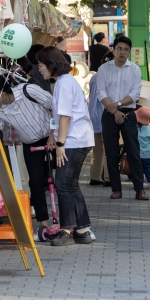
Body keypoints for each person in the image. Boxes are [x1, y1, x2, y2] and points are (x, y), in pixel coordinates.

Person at [36, 47, 95, 245]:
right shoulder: (64, 82)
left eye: (42, 66)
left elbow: (66, 116)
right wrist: (54, 136)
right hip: (76, 138)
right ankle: (81, 229)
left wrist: (60, 142)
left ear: (52, 65)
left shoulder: (64, 83)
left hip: (74, 140)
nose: (40, 70)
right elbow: (60, 115)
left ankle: (67, 229)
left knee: (63, 183)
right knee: (70, 184)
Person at [0, 74, 54, 233]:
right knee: (35, 182)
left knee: (60, 181)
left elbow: (55, 105)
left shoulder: (29, 90)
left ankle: (68, 222)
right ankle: (44, 224)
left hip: (52, 138)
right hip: (30, 144)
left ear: (1, 91)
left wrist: (53, 133)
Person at [96, 35, 148, 201]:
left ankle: (139, 189)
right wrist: (113, 110)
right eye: (119, 48)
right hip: (109, 114)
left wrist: (117, 105)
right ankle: (116, 189)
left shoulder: (134, 69)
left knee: (133, 151)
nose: (122, 52)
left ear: (129, 52)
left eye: (126, 49)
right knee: (111, 153)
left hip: (128, 113)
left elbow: (135, 94)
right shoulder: (104, 69)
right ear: (113, 49)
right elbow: (100, 92)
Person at [87, 51, 114, 186]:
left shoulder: (95, 76)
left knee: (97, 150)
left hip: (93, 116)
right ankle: (108, 178)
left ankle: (95, 176)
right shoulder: (109, 77)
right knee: (109, 149)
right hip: (106, 115)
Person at [136, 106, 150, 188]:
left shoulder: (134, 129)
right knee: (148, 168)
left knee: (137, 169)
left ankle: (139, 181)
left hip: (136, 154)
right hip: (146, 154)